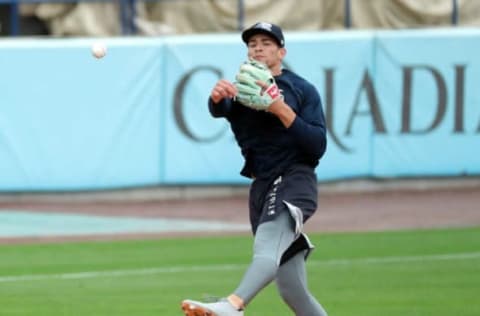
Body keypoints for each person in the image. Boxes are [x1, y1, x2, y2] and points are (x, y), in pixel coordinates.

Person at [181, 21, 328, 316]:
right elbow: (220, 109)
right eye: (252, 44)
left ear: (281, 51)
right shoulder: (242, 90)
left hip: (293, 179)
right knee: (293, 290)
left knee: (266, 246)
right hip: (261, 186)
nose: (258, 48)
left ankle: (233, 305)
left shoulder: (301, 89)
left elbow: (317, 145)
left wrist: (280, 109)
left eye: (266, 43)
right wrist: (217, 97)